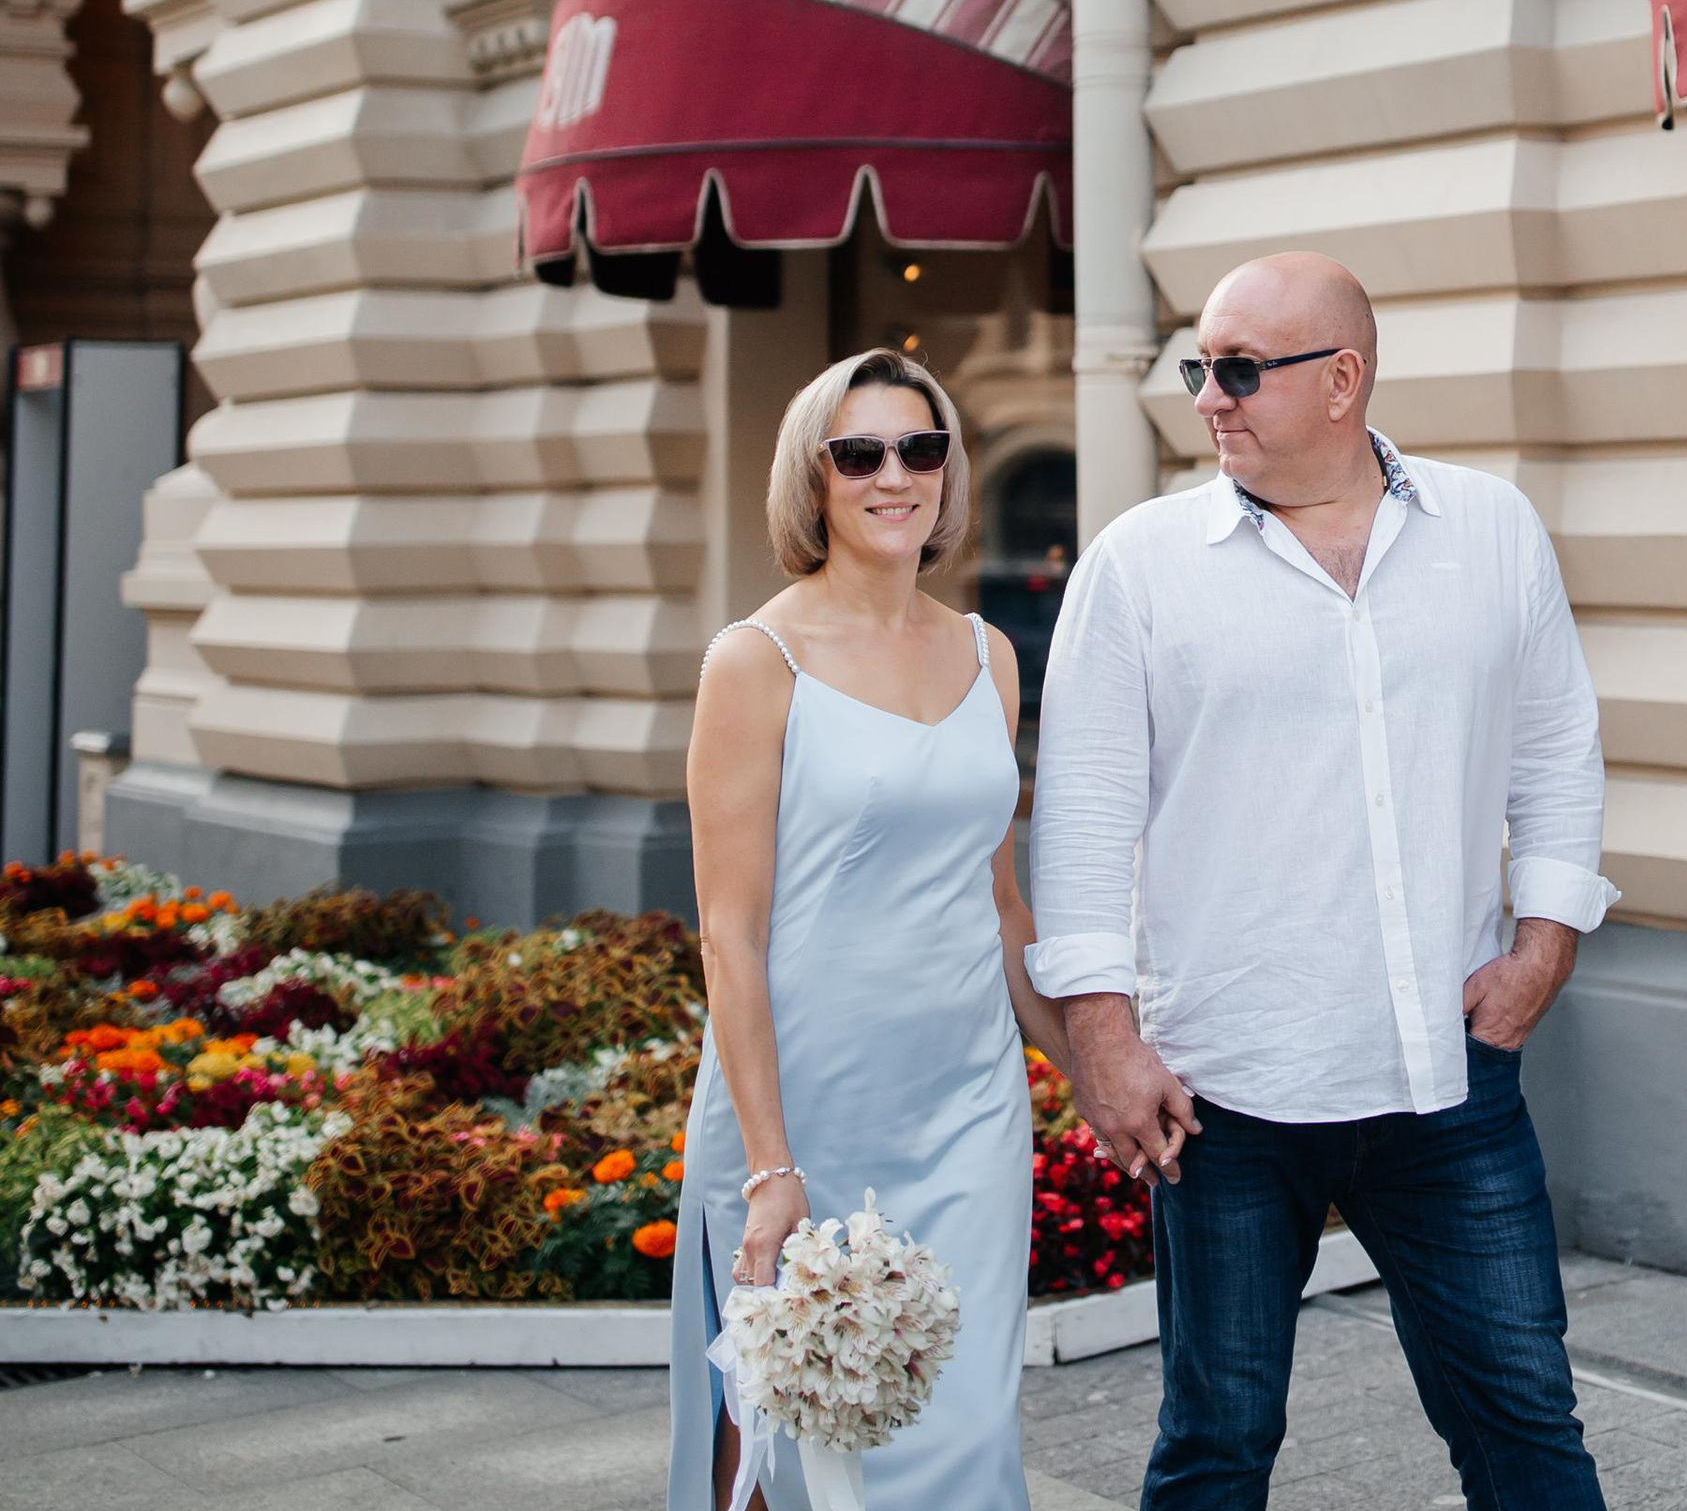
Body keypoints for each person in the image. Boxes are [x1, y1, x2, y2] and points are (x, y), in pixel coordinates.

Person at [1029, 250, 1619, 1509]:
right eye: (1201, 367)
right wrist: (1102, 1038)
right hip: (1225, 1094)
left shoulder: (1490, 529)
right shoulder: (1139, 565)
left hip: (1445, 1081)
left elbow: (1557, 748)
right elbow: (1080, 822)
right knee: (1217, 1442)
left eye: (1239, 369)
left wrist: (1545, 943)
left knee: (1526, 1422)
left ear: (1343, 378)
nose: (1209, 397)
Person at [670, 348, 1067, 1511]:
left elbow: (999, 909)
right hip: (805, 1111)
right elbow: (727, 936)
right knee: (789, 1445)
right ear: (817, 479)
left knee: (967, 1429)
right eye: (862, 453)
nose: (896, 475)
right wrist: (769, 1166)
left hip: (969, 1109)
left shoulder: (988, 653)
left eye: (922, 446)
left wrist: (1095, 1070)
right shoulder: (755, 660)